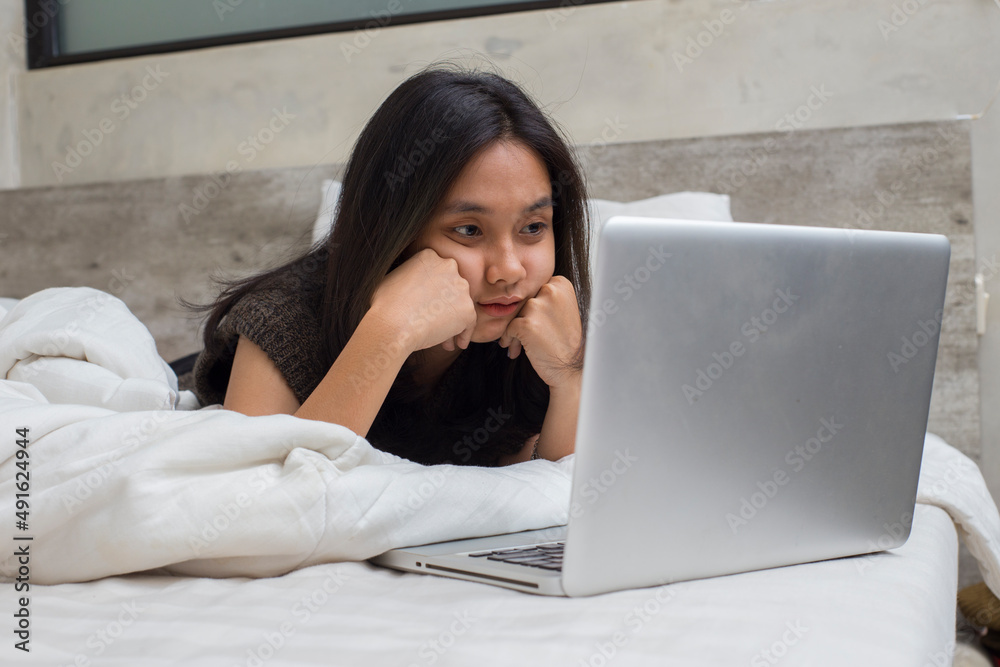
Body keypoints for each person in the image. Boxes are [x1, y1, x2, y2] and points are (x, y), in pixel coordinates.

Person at [182, 64, 592, 467]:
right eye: (468, 230)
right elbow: (256, 495)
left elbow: (555, 484)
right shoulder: (284, 321)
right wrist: (390, 332)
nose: (509, 270)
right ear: (393, 231)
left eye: (533, 227)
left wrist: (570, 377)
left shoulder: (538, 331)